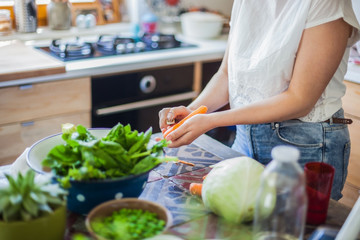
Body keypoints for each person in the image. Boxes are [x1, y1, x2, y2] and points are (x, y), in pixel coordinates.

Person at [159, 0, 360, 201]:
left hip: (305, 145)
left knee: (291, 229)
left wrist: (211, 120)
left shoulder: (326, 3)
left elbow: (300, 100)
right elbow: (227, 74)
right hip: (245, 136)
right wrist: (193, 111)